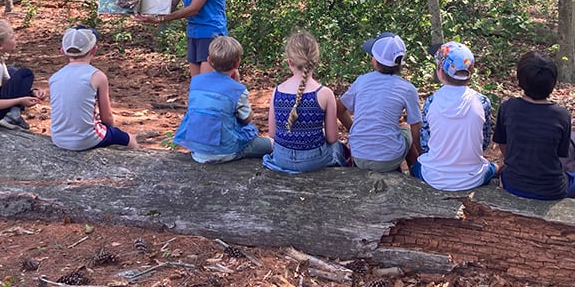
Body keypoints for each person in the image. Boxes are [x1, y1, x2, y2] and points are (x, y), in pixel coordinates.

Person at [493, 51, 575, 200]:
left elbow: (502, 143)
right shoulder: (562, 115)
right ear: (553, 83)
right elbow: (560, 153)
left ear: (520, 80)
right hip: (552, 188)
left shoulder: (507, 107)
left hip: (513, 183)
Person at [410, 41, 497, 191]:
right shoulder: (482, 102)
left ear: (440, 72)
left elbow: (425, 144)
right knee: (494, 167)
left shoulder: (432, 101)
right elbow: (484, 141)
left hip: (433, 177)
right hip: (473, 177)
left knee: (416, 167)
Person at [173, 35, 272, 163]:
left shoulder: (196, 82)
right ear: (237, 63)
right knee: (271, 144)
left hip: (197, 151)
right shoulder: (237, 90)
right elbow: (247, 118)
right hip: (227, 151)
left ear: (209, 60)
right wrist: (238, 84)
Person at [262, 32, 349, 173]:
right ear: (316, 60)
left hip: (281, 159)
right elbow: (332, 138)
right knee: (338, 148)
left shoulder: (277, 91)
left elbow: (272, 133)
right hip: (314, 161)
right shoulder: (325, 93)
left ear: (290, 62)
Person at [337, 32, 422, 172]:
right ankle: (416, 172)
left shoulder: (362, 81)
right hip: (389, 160)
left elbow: (339, 109)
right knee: (406, 129)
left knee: (401, 131)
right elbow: (416, 128)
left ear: (375, 61)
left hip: (359, 155)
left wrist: (353, 129)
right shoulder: (408, 89)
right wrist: (421, 153)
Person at [49, 26, 139, 151]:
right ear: (94, 50)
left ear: (62, 51)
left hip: (58, 138)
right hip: (86, 138)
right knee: (130, 139)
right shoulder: (97, 76)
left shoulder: (54, 77)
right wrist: (111, 131)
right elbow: (106, 116)